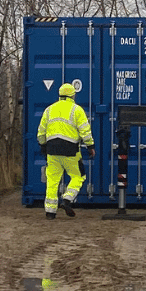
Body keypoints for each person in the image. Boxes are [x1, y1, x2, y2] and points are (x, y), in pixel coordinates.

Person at [37, 82, 95, 219]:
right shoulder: (77, 110)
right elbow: (85, 131)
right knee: (78, 176)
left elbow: (40, 132)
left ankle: (50, 213)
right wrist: (90, 146)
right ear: (72, 95)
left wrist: (43, 146)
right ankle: (67, 200)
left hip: (52, 151)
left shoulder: (49, 110)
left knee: (52, 181)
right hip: (70, 151)